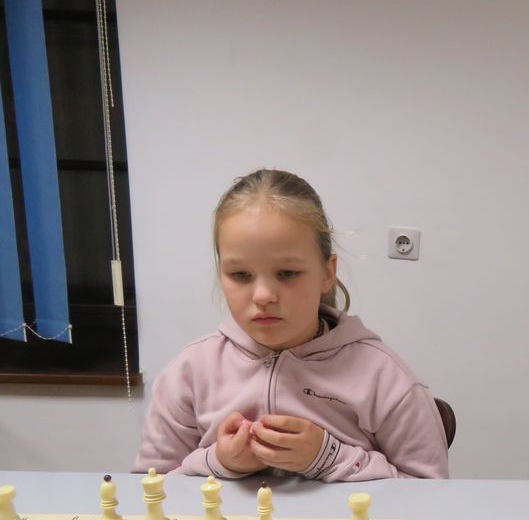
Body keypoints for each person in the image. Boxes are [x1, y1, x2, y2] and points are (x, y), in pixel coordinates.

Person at [135, 169, 449, 481]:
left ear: (327, 273)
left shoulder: (383, 376)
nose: (262, 296)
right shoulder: (189, 373)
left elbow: (432, 492)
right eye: (240, 275)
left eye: (287, 273)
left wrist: (329, 457)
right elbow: (148, 487)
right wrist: (217, 461)